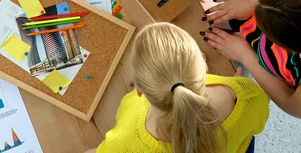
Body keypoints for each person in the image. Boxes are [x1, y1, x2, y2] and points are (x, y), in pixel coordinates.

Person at [85, 23, 268, 153]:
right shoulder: (247, 95)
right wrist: (237, 86)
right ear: (203, 67)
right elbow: (256, 124)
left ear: (139, 90)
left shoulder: (128, 126)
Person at [203, 0, 301, 118]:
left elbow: (293, 105)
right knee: (202, 17)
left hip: (278, 67)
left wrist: (245, 55)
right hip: (279, 30)